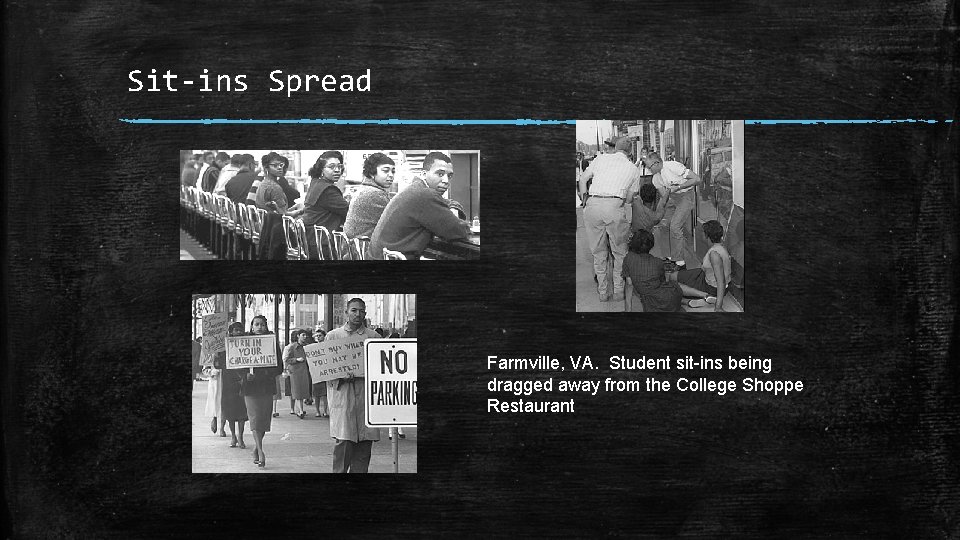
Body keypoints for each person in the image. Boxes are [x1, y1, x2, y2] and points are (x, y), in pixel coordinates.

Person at [369, 152, 471, 260]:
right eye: (440, 174)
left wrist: (453, 206)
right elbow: (460, 231)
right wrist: (454, 214)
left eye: (449, 176)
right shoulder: (424, 194)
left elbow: (444, 202)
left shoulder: (416, 189)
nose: (446, 181)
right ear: (423, 174)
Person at [578, 137, 641, 302]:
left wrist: (585, 200)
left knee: (598, 253)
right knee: (619, 252)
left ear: (616, 148)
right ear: (630, 151)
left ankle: (603, 292)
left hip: (592, 205)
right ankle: (619, 291)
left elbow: (583, 179)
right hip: (614, 206)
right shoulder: (633, 169)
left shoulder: (601, 159)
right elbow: (629, 199)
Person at [324, 298, 381, 473]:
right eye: (354, 310)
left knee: (364, 446)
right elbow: (325, 369)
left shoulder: (374, 337)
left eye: (362, 311)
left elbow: (382, 368)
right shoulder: (333, 336)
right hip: (344, 397)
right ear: (346, 312)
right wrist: (341, 375)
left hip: (366, 397)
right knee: (344, 443)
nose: (358, 314)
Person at [622, 229, 715, 312]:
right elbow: (664, 282)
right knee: (673, 285)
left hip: (651, 305)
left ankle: (689, 301)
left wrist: (628, 310)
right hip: (670, 299)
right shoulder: (657, 262)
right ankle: (703, 296)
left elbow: (629, 284)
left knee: (649, 292)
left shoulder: (628, 259)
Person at [643, 151, 702, 263]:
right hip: (672, 197)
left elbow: (697, 179)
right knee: (663, 225)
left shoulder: (672, 166)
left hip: (686, 195)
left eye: (649, 167)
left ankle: (679, 261)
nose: (648, 170)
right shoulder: (656, 178)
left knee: (675, 226)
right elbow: (664, 197)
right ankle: (669, 256)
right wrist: (658, 215)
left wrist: (679, 186)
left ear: (656, 163)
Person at [240, 315, 283, 468]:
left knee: (263, 420)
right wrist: (245, 375)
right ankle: (260, 451)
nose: (259, 327)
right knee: (255, 418)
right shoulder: (244, 342)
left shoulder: (272, 342)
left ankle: (255, 448)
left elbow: (279, 367)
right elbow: (237, 365)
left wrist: (264, 374)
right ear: (252, 327)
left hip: (266, 387)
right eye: (256, 324)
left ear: (266, 326)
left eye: (262, 324)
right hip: (250, 388)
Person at [673, 220, 732, 312]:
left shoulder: (714, 254)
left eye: (702, 232)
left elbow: (721, 282)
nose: (700, 234)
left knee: (671, 286)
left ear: (706, 236)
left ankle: (704, 296)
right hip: (705, 276)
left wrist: (718, 307)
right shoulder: (720, 246)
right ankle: (702, 299)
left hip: (711, 287)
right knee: (672, 276)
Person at [301, 151, 349, 259]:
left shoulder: (315, 183)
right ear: (321, 170)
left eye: (339, 166)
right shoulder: (328, 190)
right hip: (323, 246)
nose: (337, 170)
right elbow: (349, 212)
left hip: (310, 241)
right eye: (331, 167)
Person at [343, 152, 395, 239]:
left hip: (352, 248)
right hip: (363, 249)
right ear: (372, 173)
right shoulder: (375, 194)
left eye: (393, 171)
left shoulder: (364, 188)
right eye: (385, 171)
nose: (391, 175)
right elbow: (395, 223)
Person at [213, 322, 248, 448]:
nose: (238, 332)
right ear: (230, 332)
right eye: (235, 330)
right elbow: (218, 365)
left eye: (240, 330)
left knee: (243, 413)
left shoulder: (247, 346)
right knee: (231, 413)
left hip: (243, 381)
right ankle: (233, 436)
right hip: (228, 383)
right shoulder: (224, 348)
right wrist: (216, 355)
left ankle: (241, 437)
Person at [283, 329, 311, 419]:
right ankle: (300, 410)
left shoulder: (307, 347)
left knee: (302, 390)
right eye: (303, 335)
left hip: (304, 371)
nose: (305, 337)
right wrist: (296, 360)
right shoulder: (292, 347)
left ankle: (300, 409)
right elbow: (287, 359)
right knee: (297, 390)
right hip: (295, 371)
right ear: (298, 336)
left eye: (306, 335)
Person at [311, 327, 329, 417]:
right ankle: (317, 411)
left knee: (325, 394)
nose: (318, 337)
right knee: (316, 394)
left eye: (320, 336)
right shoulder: (312, 348)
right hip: (316, 373)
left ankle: (325, 411)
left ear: (324, 336)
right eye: (317, 336)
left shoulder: (327, 347)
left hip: (326, 372)